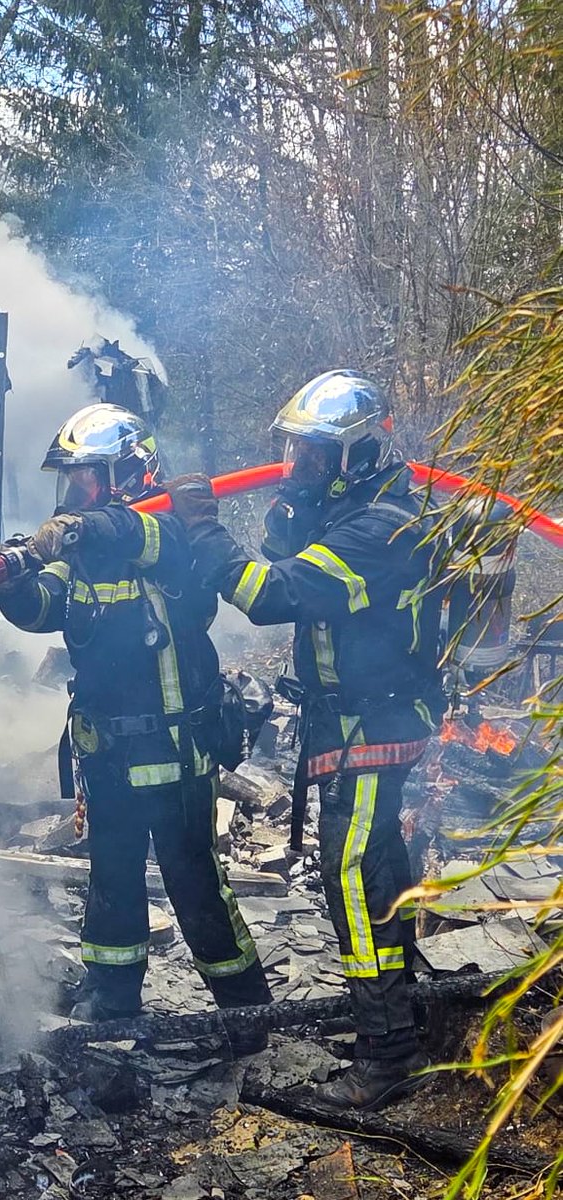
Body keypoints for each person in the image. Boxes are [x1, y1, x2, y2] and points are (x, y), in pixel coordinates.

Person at [166, 371, 444, 1109]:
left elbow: (271, 594)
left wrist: (203, 531)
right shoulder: (353, 505)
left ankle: (386, 1058)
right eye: (293, 453)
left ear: (354, 454)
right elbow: (288, 552)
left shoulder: (383, 526)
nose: (297, 465)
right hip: (356, 720)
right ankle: (403, 1020)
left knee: (351, 875)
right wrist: (295, 502)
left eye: (312, 455)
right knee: (376, 865)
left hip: (374, 723)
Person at [0, 403, 272, 1023]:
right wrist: (15, 578)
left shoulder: (174, 531)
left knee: (195, 883)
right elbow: (44, 607)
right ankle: (113, 1000)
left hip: (175, 753)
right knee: (112, 881)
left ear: (125, 472)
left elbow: (141, 538)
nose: (73, 494)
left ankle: (248, 1010)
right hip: (109, 753)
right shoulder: (87, 552)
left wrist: (78, 527)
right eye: (70, 481)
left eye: (84, 478)